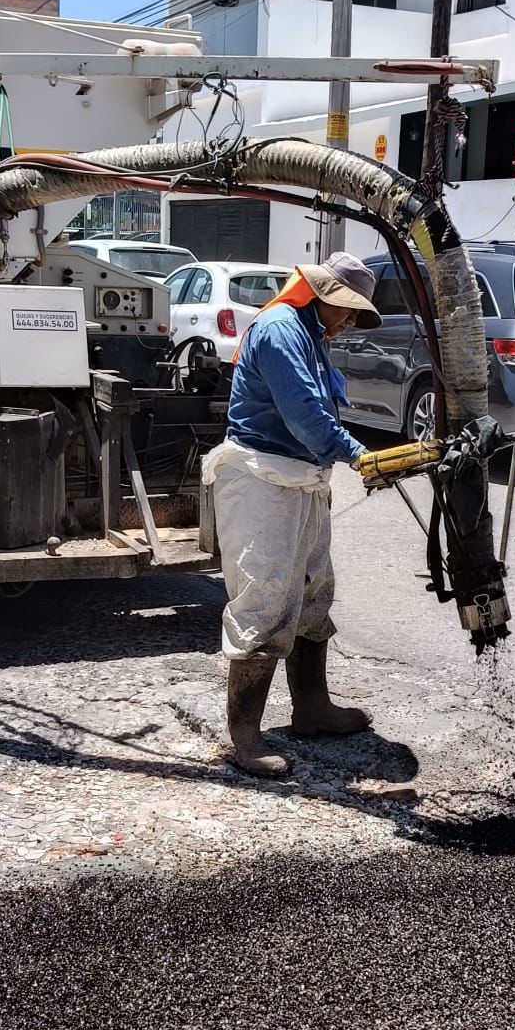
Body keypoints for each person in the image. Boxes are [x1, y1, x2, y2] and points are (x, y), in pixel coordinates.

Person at [202, 250, 382, 776]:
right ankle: (246, 739)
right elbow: (306, 414)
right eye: (346, 309)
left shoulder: (311, 335)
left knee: (312, 590)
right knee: (265, 599)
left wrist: (348, 453)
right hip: (262, 480)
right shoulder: (281, 329)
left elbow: (318, 417)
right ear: (320, 294)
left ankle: (312, 709)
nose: (349, 321)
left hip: (301, 477)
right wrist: (359, 455)